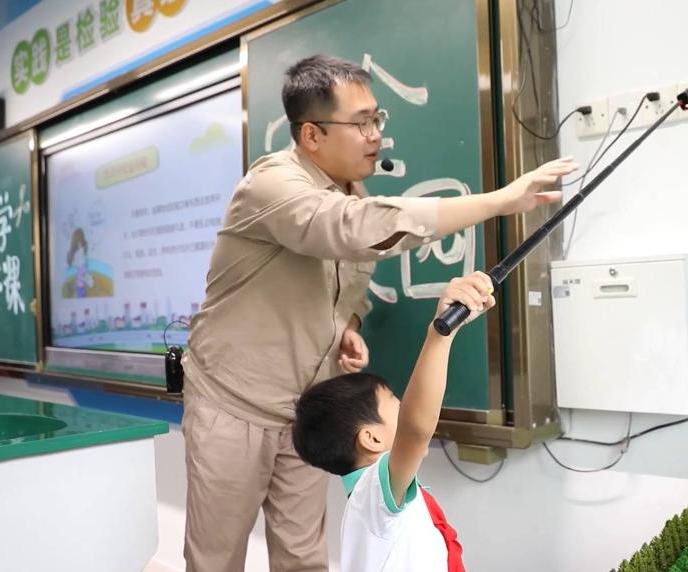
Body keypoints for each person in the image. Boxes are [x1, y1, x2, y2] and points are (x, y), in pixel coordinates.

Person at [181, 54, 575, 571]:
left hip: (308, 410)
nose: (376, 135)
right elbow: (350, 229)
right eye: (362, 123)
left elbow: (349, 284)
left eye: (378, 119)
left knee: (303, 558)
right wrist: (499, 201)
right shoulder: (272, 185)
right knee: (216, 558)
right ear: (311, 134)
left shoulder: (353, 190)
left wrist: (346, 324)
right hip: (233, 402)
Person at [293, 271, 495, 572]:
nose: (409, 410)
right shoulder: (373, 496)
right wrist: (440, 335)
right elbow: (416, 428)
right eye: (399, 406)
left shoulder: (375, 500)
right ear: (371, 439)